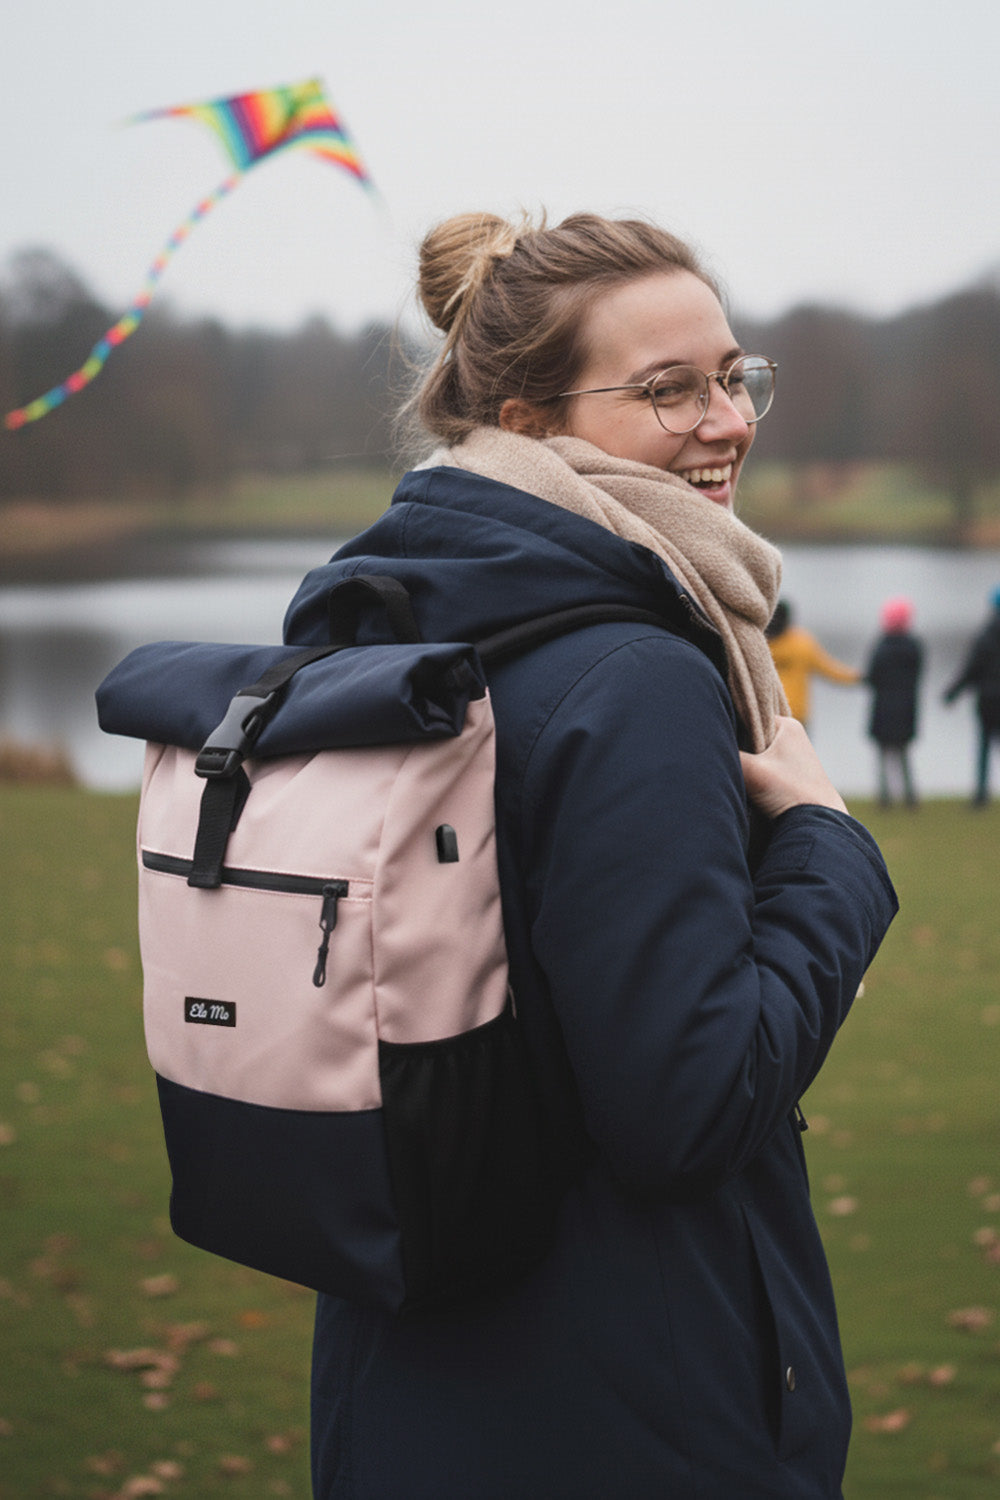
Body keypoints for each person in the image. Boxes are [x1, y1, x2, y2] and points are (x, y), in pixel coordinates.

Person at [284, 211, 898, 1500]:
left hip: (403, 1366)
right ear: (529, 417)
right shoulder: (633, 674)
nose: (725, 420)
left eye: (735, 376)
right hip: (624, 1400)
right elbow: (688, 1108)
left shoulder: (393, 620)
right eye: (668, 390)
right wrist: (830, 853)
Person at [864, 596, 924, 808]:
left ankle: (884, 797)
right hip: (907, 708)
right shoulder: (914, 647)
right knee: (904, 755)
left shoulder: (881, 647)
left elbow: (871, 677)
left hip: (883, 709)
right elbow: (918, 675)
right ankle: (910, 797)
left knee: (882, 756)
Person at [943, 586, 1000, 806]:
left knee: (984, 747)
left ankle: (981, 796)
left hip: (987, 700)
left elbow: (971, 669)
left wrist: (953, 693)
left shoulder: (985, 636)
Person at [766, 598, 859, 730]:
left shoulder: (760, 644)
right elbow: (830, 669)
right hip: (796, 715)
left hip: (769, 714)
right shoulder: (802, 643)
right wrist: (858, 678)